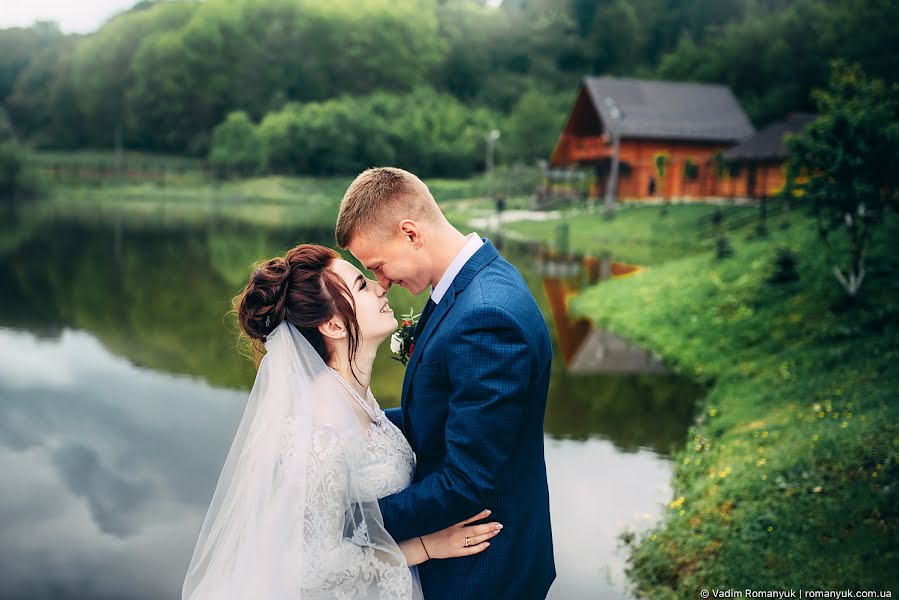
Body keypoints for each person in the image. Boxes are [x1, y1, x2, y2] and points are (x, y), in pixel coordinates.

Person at [182, 244, 503, 599]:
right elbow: (312, 566)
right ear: (334, 324)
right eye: (362, 286)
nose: (381, 286)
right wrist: (424, 547)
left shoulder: (350, 393)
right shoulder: (321, 427)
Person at [336, 167, 556, 600]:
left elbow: (465, 481)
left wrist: (353, 522)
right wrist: (360, 425)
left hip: (483, 570)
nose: (382, 283)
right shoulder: (477, 281)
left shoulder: (486, 318)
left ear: (410, 233)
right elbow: (446, 414)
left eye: (378, 266)